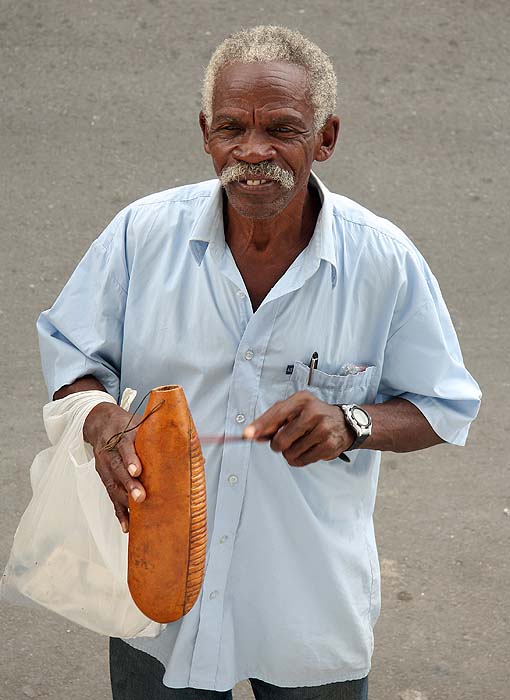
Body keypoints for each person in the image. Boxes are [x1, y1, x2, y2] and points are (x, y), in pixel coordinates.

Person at [37, 25, 481, 700]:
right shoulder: (140, 236)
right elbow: (73, 353)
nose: (252, 152)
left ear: (326, 138)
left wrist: (352, 422)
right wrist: (99, 417)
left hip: (307, 609)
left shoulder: (383, 262)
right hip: (161, 597)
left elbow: (445, 404)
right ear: (205, 134)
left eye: (282, 129)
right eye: (230, 129)